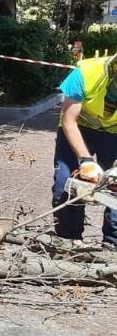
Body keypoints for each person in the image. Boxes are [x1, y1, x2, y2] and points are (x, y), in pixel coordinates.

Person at [52, 54, 117, 247]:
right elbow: (69, 120)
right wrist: (86, 160)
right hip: (78, 128)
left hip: (114, 135)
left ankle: (113, 244)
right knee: (66, 183)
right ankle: (69, 240)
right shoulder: (85, 73)